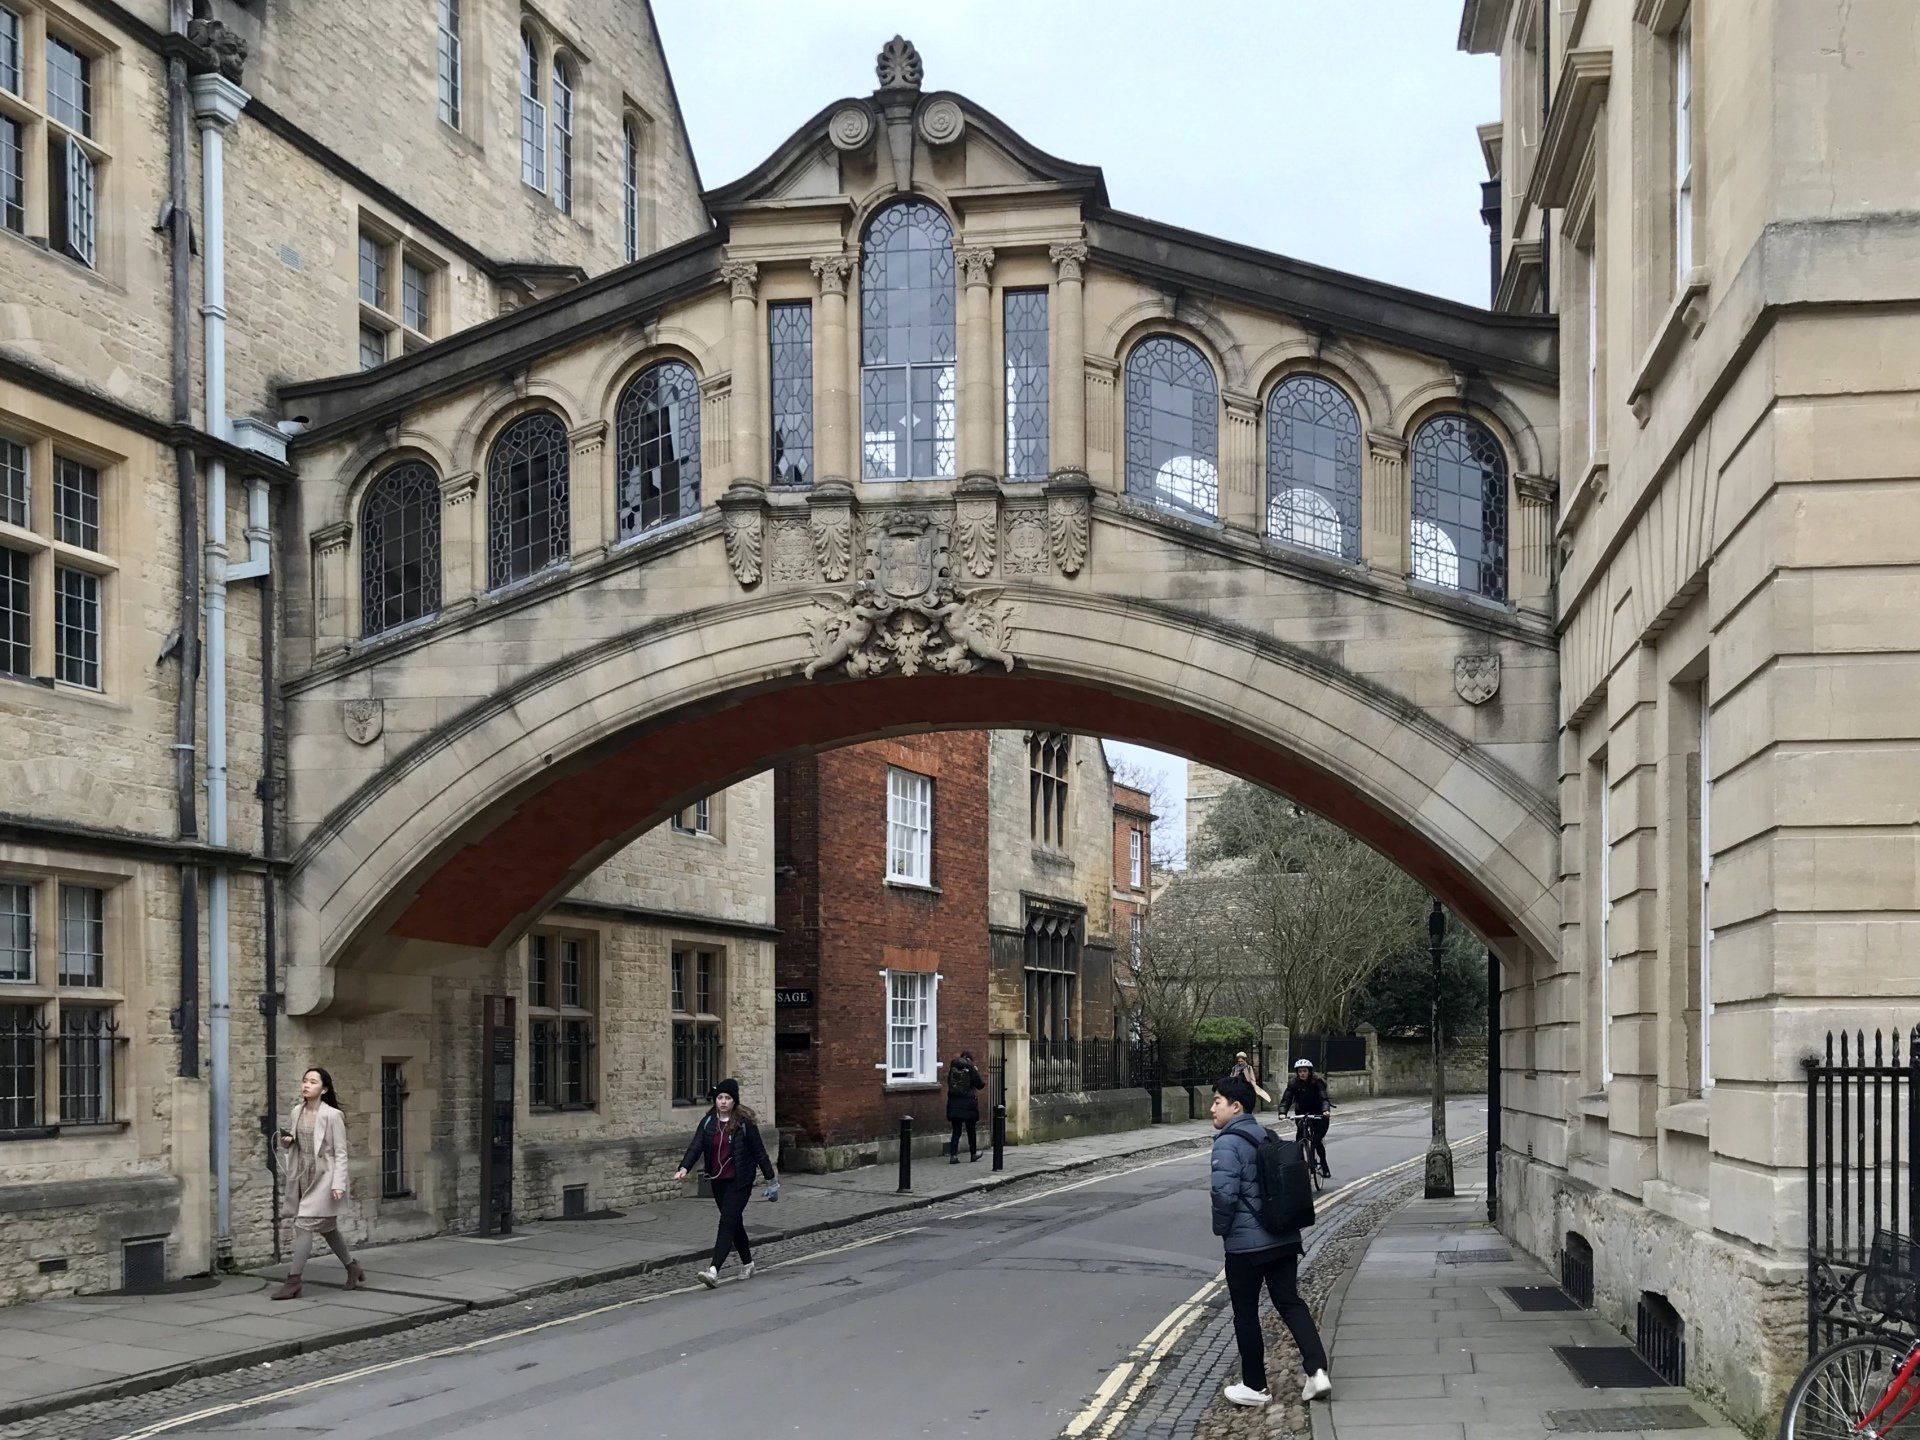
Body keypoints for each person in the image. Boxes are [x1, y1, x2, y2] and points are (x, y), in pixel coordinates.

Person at [1209, 1074, 1332, 1408]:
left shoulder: (1227, 1143)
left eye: (1217, 1102)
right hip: (1284, 1237)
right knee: (1290, 1302)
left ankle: (1255, 1386)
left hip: (1246, 1247)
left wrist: (1222, 1230)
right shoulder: (1269, 1135)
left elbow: (1224, 1196)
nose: (1212, 1109)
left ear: (1236, 1107)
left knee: (1246, 1313)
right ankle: (1318, 1372)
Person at [271, 1067, 366, 1300]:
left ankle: (293, 1281)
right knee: (327, 1228)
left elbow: (341, 1153)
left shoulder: (333, 1115)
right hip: (303, 1174)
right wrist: (288, 1141)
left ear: (323, 1089)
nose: (306, 1085)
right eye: (305, 1081)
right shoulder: (297, 1111)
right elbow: (295, 1144)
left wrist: (338, 1184)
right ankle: (352, 1267)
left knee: (303, 1224)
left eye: (313, 1082)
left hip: (325, 1178)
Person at [674, 1078, 778, 1287]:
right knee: (733, 1222)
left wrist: (771, 1181)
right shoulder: (708, 1122)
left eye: (727, 1098)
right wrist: (684, 1167)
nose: (723, 1102)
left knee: (726, 1221)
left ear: (734, 1101)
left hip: (740, 1181)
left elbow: (759, 1152)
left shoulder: (744, 1124)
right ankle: (748, 1263)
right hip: (718, 1180)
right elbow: (696, 1146)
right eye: (720, 1098)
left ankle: (714, 1270)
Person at [1278, 1058, 1333, 1178]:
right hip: (1302, 1112)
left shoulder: (1317, 1082)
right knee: (1300, 1137)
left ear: (1309, 1071)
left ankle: (1324, 1165)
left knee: (1316, 1141)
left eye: (1305, 1071)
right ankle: (1300, 1165)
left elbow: (1324, 1098)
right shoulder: (1293, 1083)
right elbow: (1286, 1099)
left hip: (1319, 1113)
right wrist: (1282, 1112)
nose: (1302, 1073)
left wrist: (1325, 1110)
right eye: (1300, 1071)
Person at [946, 1050, 987, 1163]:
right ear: (970, 1059)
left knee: (956, 1131)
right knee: (971, 1131)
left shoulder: (953, 1068)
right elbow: (980, 1084)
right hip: (969, 1104)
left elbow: (949, 1084)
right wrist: (975, 1071)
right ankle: (973, 1154)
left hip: (954, 1104)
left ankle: (953, 1156)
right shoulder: (970, 1068)